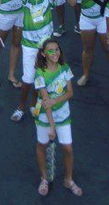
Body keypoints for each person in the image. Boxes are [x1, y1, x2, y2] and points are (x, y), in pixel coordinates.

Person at [33, 37, 81, 196]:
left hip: (63, 113)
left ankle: (68, 179)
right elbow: (45, 102)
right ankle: (44, 178)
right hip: (45, 116)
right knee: (42, 144)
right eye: (51, 50)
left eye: (57, 49)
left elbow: (70, 92)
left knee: (67, 148)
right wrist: (52, 126)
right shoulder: (40, 73)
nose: (55, 53)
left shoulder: (64, 67)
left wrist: (55, 100)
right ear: (43, 53)